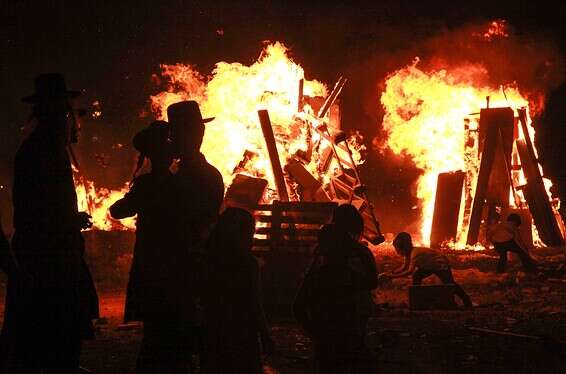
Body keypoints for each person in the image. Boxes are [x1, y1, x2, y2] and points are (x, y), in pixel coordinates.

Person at [3, 73, 99, 373]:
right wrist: (68, 221)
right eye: (74, 113)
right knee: (49, 340)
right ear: (61, 114)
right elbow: (37, 213)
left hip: (51, 255)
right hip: (48, 261)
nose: (76, 122)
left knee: (47, 339)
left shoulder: (46, 149)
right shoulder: (42, 151)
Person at [109, 120, 181, 371]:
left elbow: (117, 210)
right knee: (169, 325)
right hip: (176, 259)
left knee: (154, 328)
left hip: (152, 258)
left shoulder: (147, 184)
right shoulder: (179, 182)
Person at [200, 208, 274, 374]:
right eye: (250, 232)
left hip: (213, 329)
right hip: (242, 332)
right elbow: (254, 303)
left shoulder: (207, 260)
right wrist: (265, 334)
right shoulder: (248, 264)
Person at [294, 224, 374, 373]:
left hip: (326, 337)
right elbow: (371, 283)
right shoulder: (349, 276)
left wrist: (312, 331)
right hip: (347, 336)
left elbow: (298, 306)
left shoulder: (317, 276)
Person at [381, 232, 472, 308]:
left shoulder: (414, 254)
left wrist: (392, 276)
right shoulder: (409, 253)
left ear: (402, 248)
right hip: (429, 265)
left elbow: (409, 271)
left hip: (440, 264)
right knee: (417, 276)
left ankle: (465, 300)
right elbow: (404, 267)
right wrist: (391, 273)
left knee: (449, 283)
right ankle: (417, 300)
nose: (397, 251)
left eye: (397, 249)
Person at [332, 204, 378, 338]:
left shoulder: (324, 252)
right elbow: (373, 282)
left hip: (334, 307)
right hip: (358, 307)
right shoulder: (362, 253)